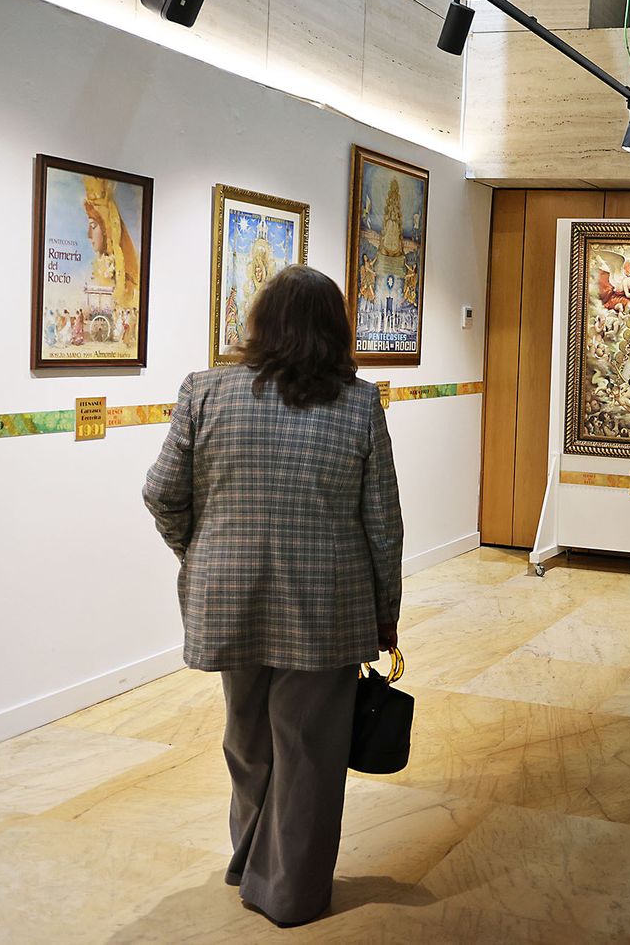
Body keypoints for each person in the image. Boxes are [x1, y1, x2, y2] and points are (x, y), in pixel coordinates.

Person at [142, 265, 404, 928]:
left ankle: (247, 861)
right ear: (334, 330)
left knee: (249, 738)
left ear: (260, 324)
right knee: (310, 750)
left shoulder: (204, 391)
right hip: (325, 607)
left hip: (233, 600)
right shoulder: (358, 404)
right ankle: (287, 890)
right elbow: (382, 523)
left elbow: (162, 492)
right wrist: (386, 611)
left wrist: (202, 553)